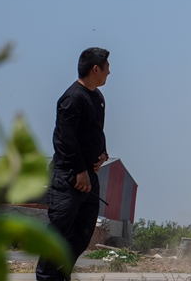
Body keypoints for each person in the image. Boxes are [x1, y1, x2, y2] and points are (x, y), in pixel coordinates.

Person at [36, 48, 111, 281]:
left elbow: (95, 132)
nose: (110, 72)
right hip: (69, 176)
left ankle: (61, 274)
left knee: (83, 231)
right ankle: (47, 276)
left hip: (89, 174)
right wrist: (80, 171)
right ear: (95, 69)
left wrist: (102, 155)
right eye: (107, 67)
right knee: (59, 231)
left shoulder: (97, 97)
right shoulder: (72, 98)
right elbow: (64, 138)